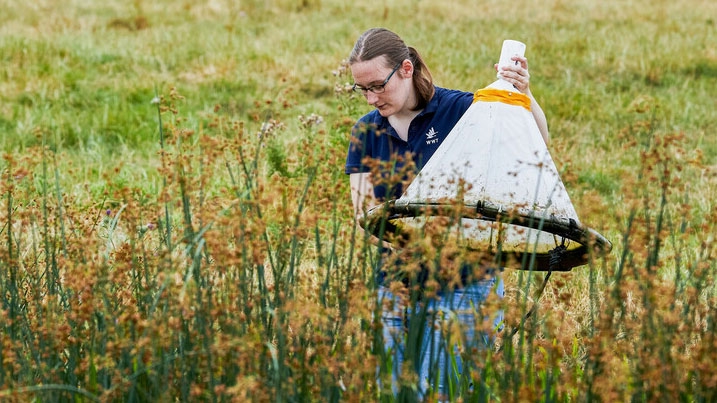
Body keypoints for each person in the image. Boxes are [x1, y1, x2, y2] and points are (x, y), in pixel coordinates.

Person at [344, 27, 550, 399]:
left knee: (442, 392)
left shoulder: (460, 109)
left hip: (464, 286)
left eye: (378, 85)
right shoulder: (365, 132)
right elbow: (364, 215)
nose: (372, 98)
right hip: (392, 289)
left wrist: (524, 94)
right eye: (363, 89)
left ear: (406, 69)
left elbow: (533, 142)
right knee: (393, 392)